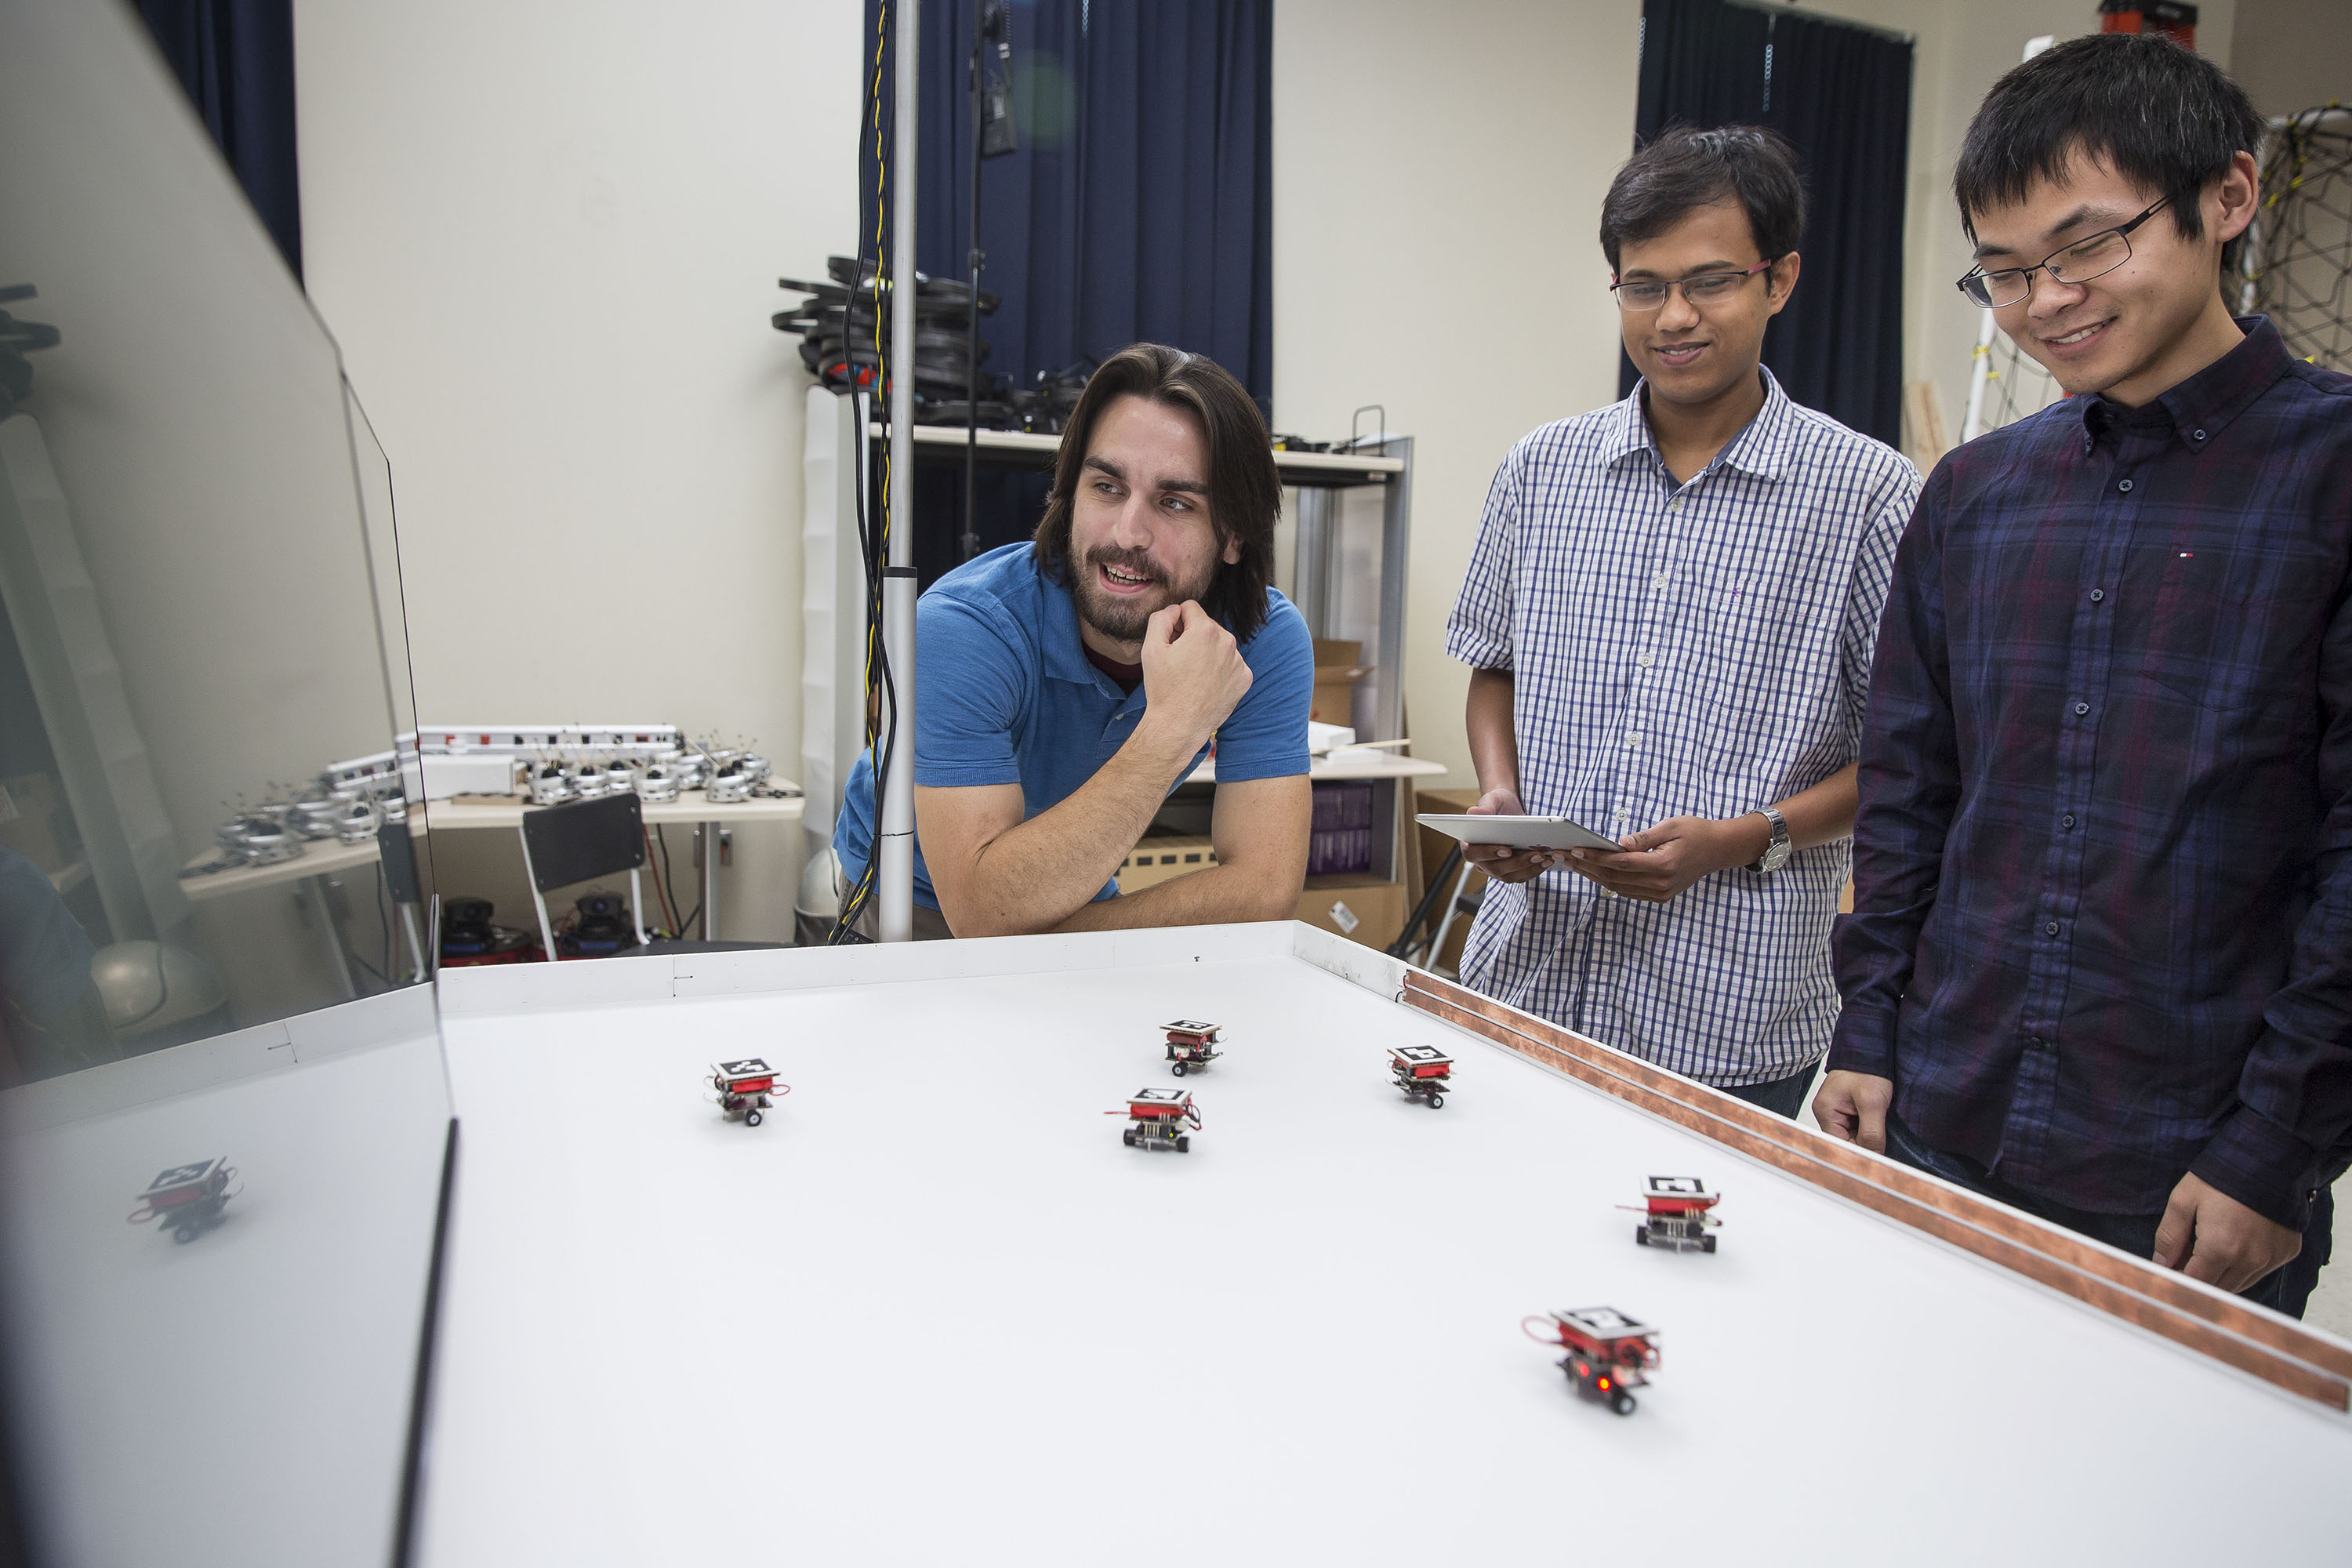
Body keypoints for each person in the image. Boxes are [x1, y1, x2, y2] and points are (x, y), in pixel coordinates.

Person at [1817, 34, 2348, 1318]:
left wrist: (2276, 1146)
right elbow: (1911, 796)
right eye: (2003, 271)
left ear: (2230, 197)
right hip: (1939, 1109)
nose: (2047, 297)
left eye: (2087, 245)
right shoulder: (1976, 495)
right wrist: (1869, 1030)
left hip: (2185, 1163)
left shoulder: (2332, 471)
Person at [1446, 126, 1921, 1116]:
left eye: (1709, 281)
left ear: (1779, 279)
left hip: (1724, 1009)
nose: (1674, 317)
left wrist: (1747, 835)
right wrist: (1499, 792)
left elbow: (1906, 754)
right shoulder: (1543, 468)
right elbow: (1494, 665)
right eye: (1643, 285)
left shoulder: (1868, 492)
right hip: (1529, 968)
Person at [833, 343, 1313, 938]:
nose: (1127, 533)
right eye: (1107, 487)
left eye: (1174, 502)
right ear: (1070, 493)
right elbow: (982, 911)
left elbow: (1266, 889)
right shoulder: (964, 627)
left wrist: (1057, 941)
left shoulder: (1263, 638)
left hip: (1077, 894)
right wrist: (1174, 725)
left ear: (1235, 535)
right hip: (912, 895)